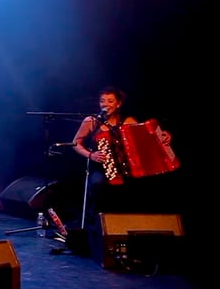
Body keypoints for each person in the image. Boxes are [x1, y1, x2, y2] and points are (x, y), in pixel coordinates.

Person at [71, 86, 173, 229]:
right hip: (101, 169)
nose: (105, 104)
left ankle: (130, 226)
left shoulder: (128, 121)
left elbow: (147, 137)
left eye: (110, 101)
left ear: (118, 104)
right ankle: (96, 226)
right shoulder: (92, 121)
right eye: (102, 101)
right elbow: (75, 143)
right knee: (98, 184)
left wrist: (165, 135)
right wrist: (90, 154)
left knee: (140, 188)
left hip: (127, 171)